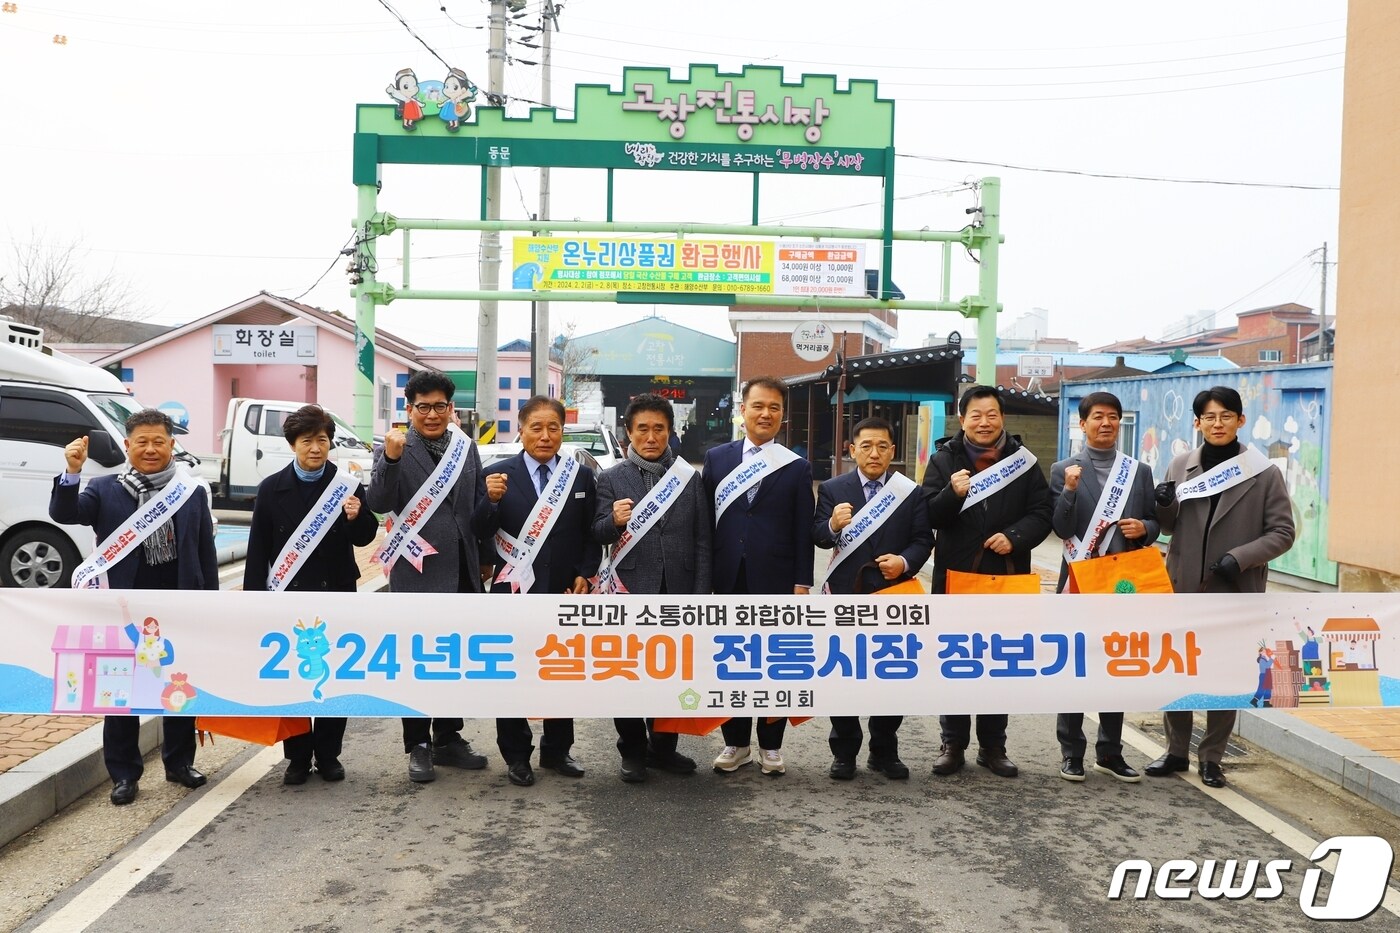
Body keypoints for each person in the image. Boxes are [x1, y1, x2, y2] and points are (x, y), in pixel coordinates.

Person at [49, 409, 217, 806]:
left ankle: (179, 764)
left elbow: (204, 551)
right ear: (127, 446)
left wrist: (212, 602)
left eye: (159, 441)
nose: (151, 449)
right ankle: (124, 775)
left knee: (178, 686)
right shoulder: (104, 488)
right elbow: (65, 513)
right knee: (119, 690)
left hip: (178, 602)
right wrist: (71, 473)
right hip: (122, 606)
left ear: (172, 445)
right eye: (141, 442)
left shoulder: (191, 492)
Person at [1147, 385, 1295, 789]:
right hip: (1183, 587)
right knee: (1176, 670)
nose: (1217, 423)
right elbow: (1170, 525)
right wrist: (1162, 504)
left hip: (1235, 587)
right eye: (1209, 417)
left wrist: (1241, 557)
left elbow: (1283, 532)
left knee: (1225, 675)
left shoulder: (1263, 472)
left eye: (1225, 416)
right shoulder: (1180, 465)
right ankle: (1176, 750)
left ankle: (1212, 757)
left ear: (1240, 420)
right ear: (1197, 423)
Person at [243, 405, 378, 785]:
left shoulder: (347, 484)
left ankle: (329, 754)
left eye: (322, 440)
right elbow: (259, 549)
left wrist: (356, 517)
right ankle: (298, 756)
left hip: (335, 590)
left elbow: (366, 536)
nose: (316, 448)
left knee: (335, 675)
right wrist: (256, 601)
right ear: (292, 445)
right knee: (296, 676)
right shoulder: (271, 489)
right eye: (307, 441)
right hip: (289, 594)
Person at [922, 385, 1052, 779]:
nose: (984, 422)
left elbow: (1043, 511)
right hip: (957, 576)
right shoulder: (944, 459)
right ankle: (953, 743)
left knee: (1000, 660)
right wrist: (952, 494)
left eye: (991, 414)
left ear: (1002, 418)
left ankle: (994, 746)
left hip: (1007, 574)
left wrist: (1015, 536)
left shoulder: (1024, 462)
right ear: (962, 419)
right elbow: (928, 513)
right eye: (975, 415)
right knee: (957, 660)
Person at [366, 371, 490, 784]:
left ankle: (448, 737)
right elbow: (378, 503)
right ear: (409, 408)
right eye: (423, 407)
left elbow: (474, 507)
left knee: (455, 658)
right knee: (419, 660)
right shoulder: (393, 446)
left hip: (464, 571)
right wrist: (393, 459)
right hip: (418, 572)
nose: (432, 414)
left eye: (440, 406)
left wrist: (485, 559)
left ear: (451, 409)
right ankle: (417, 742)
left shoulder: (465, 447)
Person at [474, 396, 600, 787]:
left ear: (563, 431)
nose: (545, 437)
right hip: (513, 592)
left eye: (554, 428)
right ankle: (516, 755)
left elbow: (591, 533)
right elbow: (478, 532)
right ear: (521, 430)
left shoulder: (578, 477)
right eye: (536, 428)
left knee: (561, 670)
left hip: (564, 589)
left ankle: (558, 749)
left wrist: (586, 572)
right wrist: (491, 501)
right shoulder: (497, 474)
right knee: (514, 673)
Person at [592, 394, 710, 783]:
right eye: (642, 428)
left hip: (678, 590)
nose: (651, 436)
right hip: (629, 590)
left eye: (659, 428)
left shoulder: (688, 479)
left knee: (671, 672)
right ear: (628, 432)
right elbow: (595, 533)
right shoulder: (609, 478)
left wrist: (700, 593)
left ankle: (663, 749)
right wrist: (613, 521)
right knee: (628, 673)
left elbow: (702, 540)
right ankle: (632, 750)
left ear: (670, 432)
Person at [703, 375, 815, 776]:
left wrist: (803, 581)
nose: (765, 413)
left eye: (774, 408)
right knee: (732, 660)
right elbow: (705, 523)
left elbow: (804, 528)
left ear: (782, 415)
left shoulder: (796, 466)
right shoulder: (717, 459)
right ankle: (736, 743)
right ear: (742, 410)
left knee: (773, 662)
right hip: (727, 575)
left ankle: (771, 746)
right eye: (758, 406)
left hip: (777, 577)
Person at [813, 416, 931, 781]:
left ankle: (884, 750)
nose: (874, 453)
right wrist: (833, 524)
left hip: (893, 596)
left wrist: (905, 561)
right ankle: (844, 751)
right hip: (845, 595)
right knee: (844, 673)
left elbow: (923, 539)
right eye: (866, 446)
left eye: (882, 446)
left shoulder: (908, 491)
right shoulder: (833, 488)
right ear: (852, 450)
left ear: (892, 451)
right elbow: (818, 535)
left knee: (890, 675)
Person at [1048, 391, 1159, 784]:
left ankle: (1110, 751)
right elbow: (1060, 529)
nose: (1106, 423)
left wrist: (1145, 529)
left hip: (1122, 584)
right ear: (1083, 423)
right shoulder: (1064, 469)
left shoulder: (1138, 470)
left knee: (1117, 666)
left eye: (1113, 417)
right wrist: (1071, 491)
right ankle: (1071, 752)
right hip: (1079, 580)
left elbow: (1153, 520)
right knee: (1076, 665)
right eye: (1098, 417)